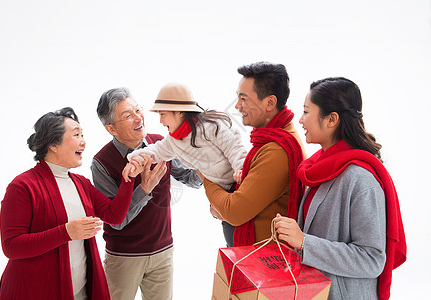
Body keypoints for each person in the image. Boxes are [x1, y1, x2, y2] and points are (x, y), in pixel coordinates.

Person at [274, 77, 407, 299]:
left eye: (307, 112)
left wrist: (305, 242)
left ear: (332, 119)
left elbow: (372, 259)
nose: (301, 120)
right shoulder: (320, 168)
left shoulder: (360, 179)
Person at [0, 107, 145, 300]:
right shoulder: (22, 186)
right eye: (76, 135)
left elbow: (114, 215)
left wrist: (128, 179)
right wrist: (66, 232)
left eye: (82, 134)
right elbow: (11, 247)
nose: (83, 141)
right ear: (53, 144)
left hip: (79, 291)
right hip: (34, 291)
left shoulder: (81, 183)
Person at [91, 87, 202, 300]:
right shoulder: (101, 163)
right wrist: (144, 189)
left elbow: (189, 177)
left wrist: (208, 165)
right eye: (128, 116)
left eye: (138, 110)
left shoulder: (159, 143)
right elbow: (116, 221)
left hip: (163, 252)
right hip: (124, 257)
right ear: (111, 129)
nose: (138, 118)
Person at [124, 82, 248, 247]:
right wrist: (136, 160)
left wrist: (241, 168)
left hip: (239, 185)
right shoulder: (174, 140)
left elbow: (234, 147)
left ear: (180, 112)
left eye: (163, 114)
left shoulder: (211, 127)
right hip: (221, 194)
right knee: (233, 245)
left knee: (247, 239)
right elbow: (156, 151)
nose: (160, 121)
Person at [201, 62, 306, 247]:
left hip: (262, 265)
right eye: (238, 98)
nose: (238, 106)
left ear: (270, 103)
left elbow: (235, 211)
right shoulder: (271, 138)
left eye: (244, 99)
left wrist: (205, 175)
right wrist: (220, 205)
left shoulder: (277, 150)